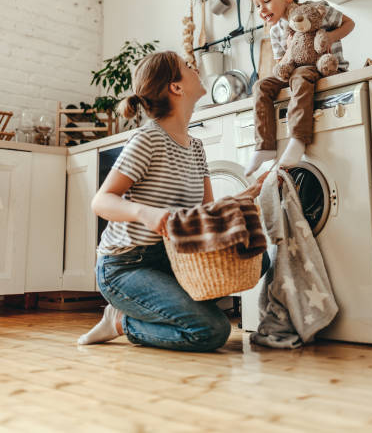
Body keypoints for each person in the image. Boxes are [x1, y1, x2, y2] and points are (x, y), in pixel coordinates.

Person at [78, 50, 268, 351]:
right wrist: (146, 214)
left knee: (257, 255)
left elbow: (206, 212)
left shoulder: (196, 147)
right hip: (126, 265)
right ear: (176, 87)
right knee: (211, 331)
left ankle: (162, 307)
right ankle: (119, 321)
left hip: (172, 254)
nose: (195, 69)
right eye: (187, 66)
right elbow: (101, 201)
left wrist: (245, 196)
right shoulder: (148, 139)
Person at [245, 0, 355, 176]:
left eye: (266, 1)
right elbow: (280, 68)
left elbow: (350, 23)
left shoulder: (316, 10)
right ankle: (265, 147)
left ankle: (298, 138)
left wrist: (330, 38)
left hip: (326, 67)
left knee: (300, 75)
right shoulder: (276, 30)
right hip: (294, 73)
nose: (261, 10)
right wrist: (289, 49)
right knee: (261, 86)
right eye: (257, 5)